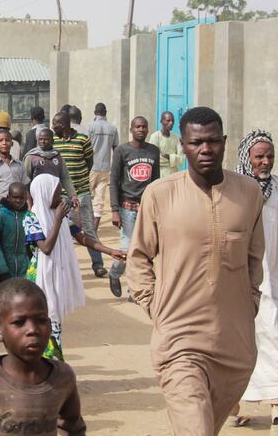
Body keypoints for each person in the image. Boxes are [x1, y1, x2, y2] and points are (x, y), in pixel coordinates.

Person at [127, 107, 264, 435]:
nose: (206, 149)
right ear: (183, 146)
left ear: (225, 142)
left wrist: (249, 305)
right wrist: (156, 306)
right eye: (196, 142)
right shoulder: (160, 194)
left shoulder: (248, 193)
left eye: (213, 141)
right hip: (179, 341)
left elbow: (254, 260)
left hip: (234, 347)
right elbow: (139, 258)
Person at [0, 278, 86, 436]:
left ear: (49, 325)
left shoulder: (63, 377)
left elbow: (73, 427)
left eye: (41, 321)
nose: (32, 330)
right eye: (19, 322)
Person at [24, 174, 125, 361]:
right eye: (56, 192)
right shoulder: (32, 218)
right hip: (40, 278)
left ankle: (50, 367)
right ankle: (49, 367)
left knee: (53, 322)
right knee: (46, 321)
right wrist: (56, 219)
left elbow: (82, 238)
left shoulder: (61, 217)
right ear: (45, 193)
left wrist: (109, 251)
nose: (59, 196)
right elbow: (46, 248)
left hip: (55, 276)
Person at [234, 130, 278, 427]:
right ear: (247, 158)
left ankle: (275, 402)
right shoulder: (235, 190)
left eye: (270, 156)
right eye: (259, 156)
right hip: (241, 276)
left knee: (271, 332)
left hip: (272, 277)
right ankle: (239, 404)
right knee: (240, 340)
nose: (265, 162)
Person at [108, 116, 159, 298]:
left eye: (144, 126)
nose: (141, 129)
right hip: (127, 207)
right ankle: (114, 273)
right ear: (131, 129)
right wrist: (114, 210)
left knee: (144, 249)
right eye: (137, 126)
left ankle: (133, 290)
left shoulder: (154, 151)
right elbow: (113, 181)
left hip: (146, 208)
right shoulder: (122, 151)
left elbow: (156, 182)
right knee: (127, 247)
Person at [52, 111, 107, 278]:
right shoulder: (53, 141)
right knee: (62, 231)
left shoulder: (83, 140)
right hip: (60, 195)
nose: (53, 126)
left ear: (65, 124)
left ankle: (98, 265)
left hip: (82, 193)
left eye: (56, 123)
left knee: (89, 229)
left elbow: (89, 162)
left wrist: (79, 182)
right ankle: (63, 269)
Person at [0, 183, 33, 326]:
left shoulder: (28, 216)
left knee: (19, 293)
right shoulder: (1, 216)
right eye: (15, 198)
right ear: (8, 197)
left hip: (22, 263)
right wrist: (0, 266)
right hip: (2, 263)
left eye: (22, 198)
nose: (18, 201)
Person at [86, 103, 119, 229]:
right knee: (99, 200)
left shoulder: (89, 127)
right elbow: (115, 148)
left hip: (90, 168)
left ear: (95, 112)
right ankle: (94, 229)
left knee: (85, 196)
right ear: (106, 112)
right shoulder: (112, 128)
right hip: (105, 168)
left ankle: (85, 227)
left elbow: (84, 147)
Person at [23, 128, 77, 201]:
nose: (43, 141)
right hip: (36, 198)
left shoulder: (57, 157)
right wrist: (28, 200)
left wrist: (72, 195)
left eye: (46, 139)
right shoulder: (31, 157)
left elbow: (65, 177)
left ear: (52, 141)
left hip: (55, 197)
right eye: (40, 139)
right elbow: (26, 180)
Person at [148, 110, 185, 177]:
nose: (171, 123)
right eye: (168, 121)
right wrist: (173, 159)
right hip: (159, 173)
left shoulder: (176, 138)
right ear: (161, 121)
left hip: (174, 173)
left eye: (172, 121)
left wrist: (168, 156)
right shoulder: (155, 136)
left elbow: (181, 158)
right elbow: (153, 158)